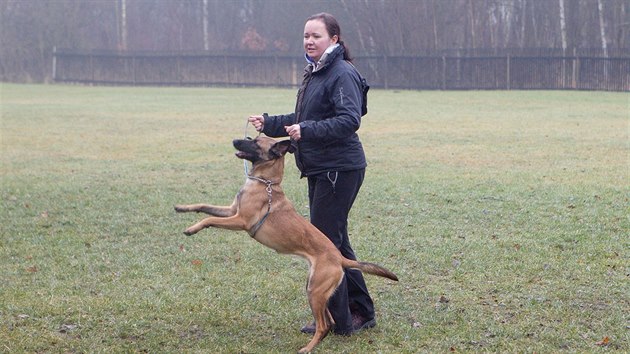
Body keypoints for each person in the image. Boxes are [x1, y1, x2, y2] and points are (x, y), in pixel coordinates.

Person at [248, 12, 374, 336]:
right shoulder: (316, 73)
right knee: (335, 240)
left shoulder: (341, 72)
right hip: (322, 168)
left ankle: (343, 320)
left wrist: (306, 129)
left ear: (334, 39)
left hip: (339, 169)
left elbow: (349, 120)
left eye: (316, 36)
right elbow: (302, 117)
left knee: (326, 243)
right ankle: (360, 310)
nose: (309, 41)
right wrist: (270, 122)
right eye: (306, 35)